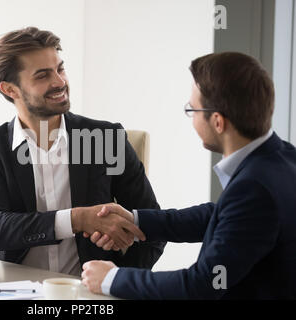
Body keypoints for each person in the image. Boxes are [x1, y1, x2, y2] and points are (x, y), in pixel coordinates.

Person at [81, 52, 296, 299]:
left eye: (192, 109)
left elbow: (204, 284)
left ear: (218, 122)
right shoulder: (283, 158)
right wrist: (135, 220)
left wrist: (112, 278)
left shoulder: (254, 188)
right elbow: (219, 216)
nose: (191, 118)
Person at [0, 27, 165, 276]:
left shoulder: (104, 139)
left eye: (60, 69)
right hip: (18, 289)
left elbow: (154, 226)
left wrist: (117, 280)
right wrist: (77, 219)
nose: (59, 82)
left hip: (90, 294)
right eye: (42, 75)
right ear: (10, 89)